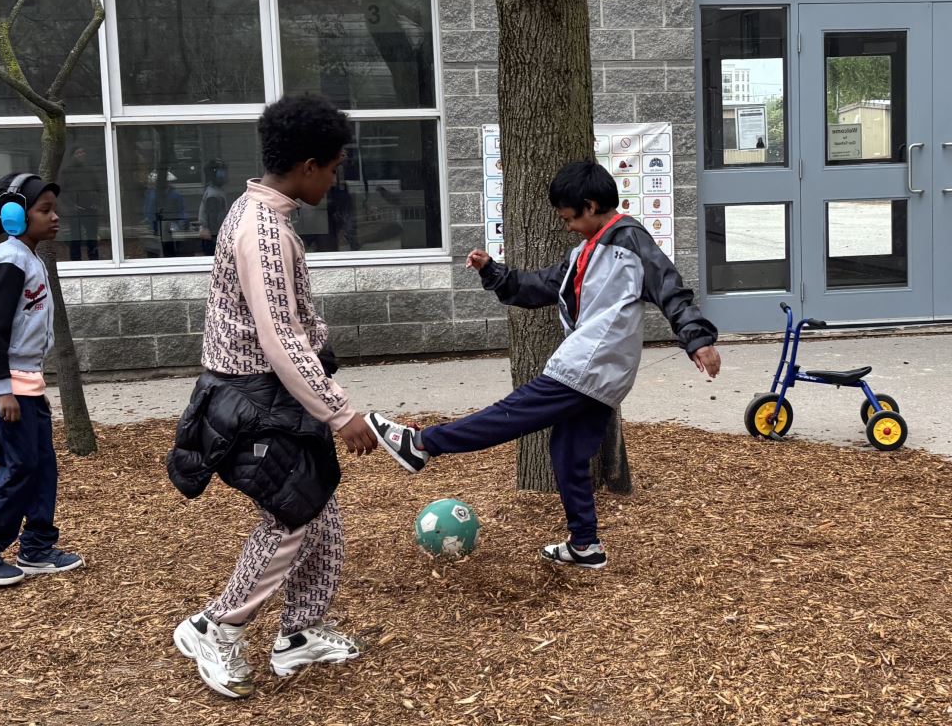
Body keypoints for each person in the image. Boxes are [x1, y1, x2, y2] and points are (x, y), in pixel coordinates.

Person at [368, 159, 721, 570]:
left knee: (510, 414)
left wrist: (698, 339)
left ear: (590, 206)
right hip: (602, 372)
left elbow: (670, 288)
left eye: (568, 217)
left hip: (589, 364)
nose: (566, 226)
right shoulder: (584, 252)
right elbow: (541, 286)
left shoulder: (631, 241)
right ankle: (585, 545)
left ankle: (421, 444)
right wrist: (494, 273)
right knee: (568, 452)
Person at [166, 94, 377, 699]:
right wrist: (340, 413)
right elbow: (279, 337)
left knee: (317, 510)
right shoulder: (262, 232)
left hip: (271, 397)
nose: (335, 180)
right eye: (333, 168)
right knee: (292, 514)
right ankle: (216, 628)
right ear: (307, 166)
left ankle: (299, 634)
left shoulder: (258, 212)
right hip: (255, 401)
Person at [0, 171, 84, 587]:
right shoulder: (8, 261)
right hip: (2, 388)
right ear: (14, 216)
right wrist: (2, 389)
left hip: (26, 383)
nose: (55, 217)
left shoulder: (28, 258)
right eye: (45, 210)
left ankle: (37, 548)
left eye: (54, 209)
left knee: (42, 467)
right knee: (21, 467)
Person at [60, 144, 103, 261]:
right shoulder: (67, 172)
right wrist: (71, 205)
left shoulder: (90, 171)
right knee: (75, 238)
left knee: (92, 238)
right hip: (75, 212)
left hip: (90, 210)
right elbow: (62, 192)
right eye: (78, 153)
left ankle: (94, 261)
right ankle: (76, 262)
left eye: (82, 152)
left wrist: (96, 203)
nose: (81, 155)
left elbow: (98, 189)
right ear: (72, 156)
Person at [196, 158, 230, 256]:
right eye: (221, 173)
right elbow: (213, 223)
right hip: (213, 239)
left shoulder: (215, 190)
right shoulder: (213, 195)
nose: (224, 175)